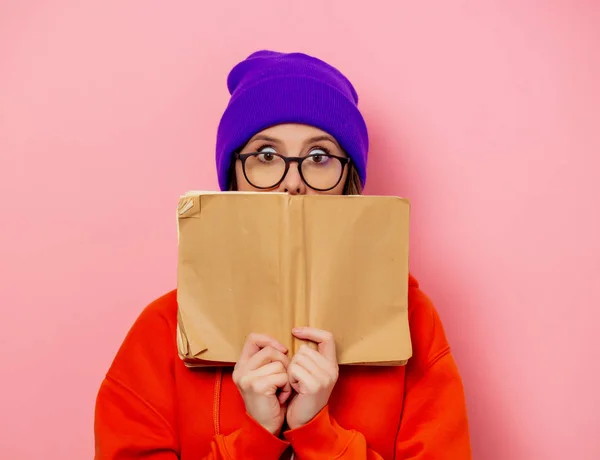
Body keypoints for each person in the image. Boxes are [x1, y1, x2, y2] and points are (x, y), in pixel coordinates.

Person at [94, 50, 472, 459]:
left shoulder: (412, 323)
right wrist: (255, 438)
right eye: (266, 156)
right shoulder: (162, 332)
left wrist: (318, 434)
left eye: (319, 157)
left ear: (350, 181)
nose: (292, 183)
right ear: (233, 178)